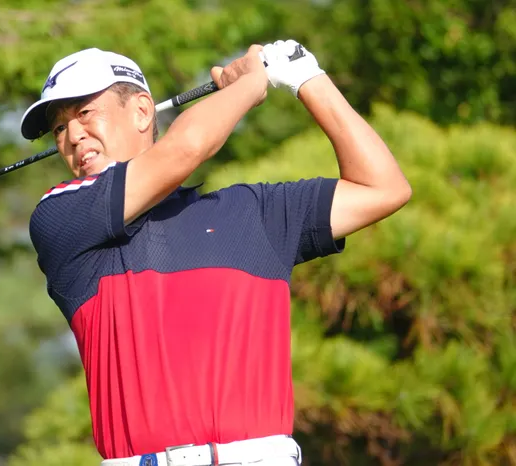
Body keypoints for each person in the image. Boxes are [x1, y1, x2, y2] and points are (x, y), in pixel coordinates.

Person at [21, 39, 411, 466]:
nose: (73, 136)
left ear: (143, 111)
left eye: (84, 113)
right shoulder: (61, 219)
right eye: (59, 128)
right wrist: (250, 85)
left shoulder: (255, 211)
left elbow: (383, 188)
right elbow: (185, 149)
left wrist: (306, 77)